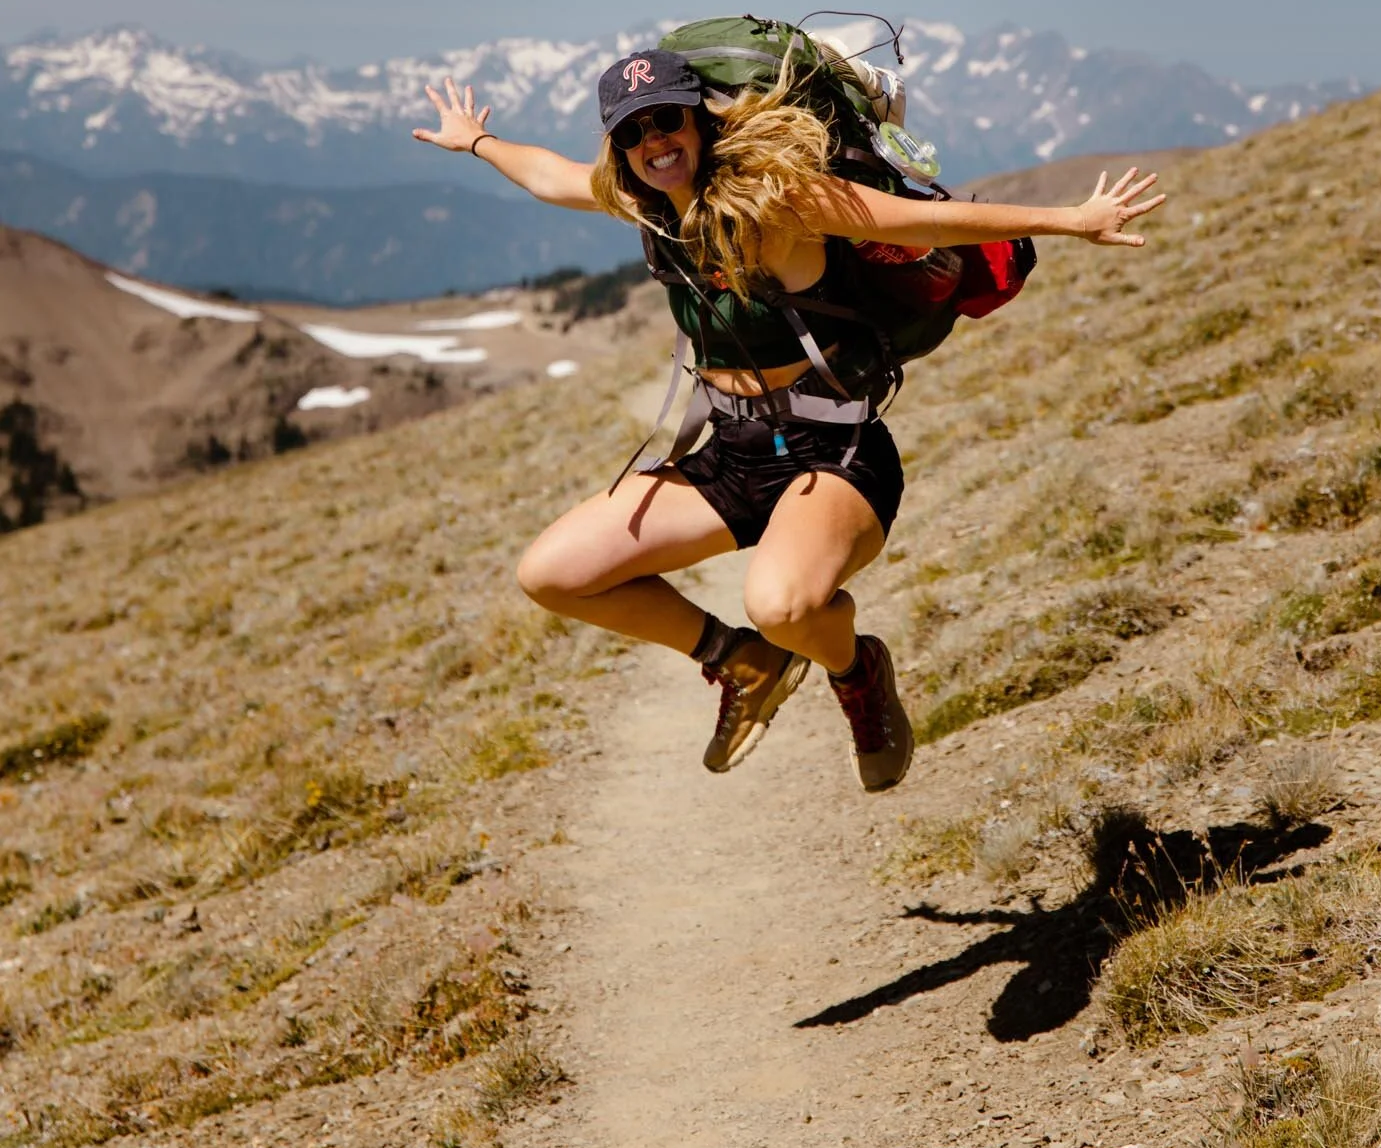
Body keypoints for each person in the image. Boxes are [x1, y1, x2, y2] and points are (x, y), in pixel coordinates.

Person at [414, 49, 1163, 794]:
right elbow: (549, 176)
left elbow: (921, 222)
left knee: (782, 605)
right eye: (632, 131)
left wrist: (1073, 220)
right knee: (552, 575)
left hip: (832, 452)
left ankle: (855, 670)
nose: (653, 142)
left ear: (699, 119)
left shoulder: (783, 198)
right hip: (731, 453)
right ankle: (742, 662)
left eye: (666, 118)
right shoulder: (647, 203)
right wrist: (477, 141)